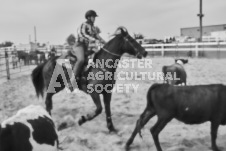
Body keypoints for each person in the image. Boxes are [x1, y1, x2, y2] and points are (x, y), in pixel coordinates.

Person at [68, 10, 106, 91]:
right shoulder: (83, 25)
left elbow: (97, 36)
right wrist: (94, 40)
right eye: (93, 17)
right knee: (81, 60)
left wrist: (105, 42)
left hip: (88, 46)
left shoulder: (93, 27)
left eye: (95, 17)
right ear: (89, 17)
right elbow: (83, 34)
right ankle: (71, 82)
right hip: (79, 45)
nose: (94, 19)